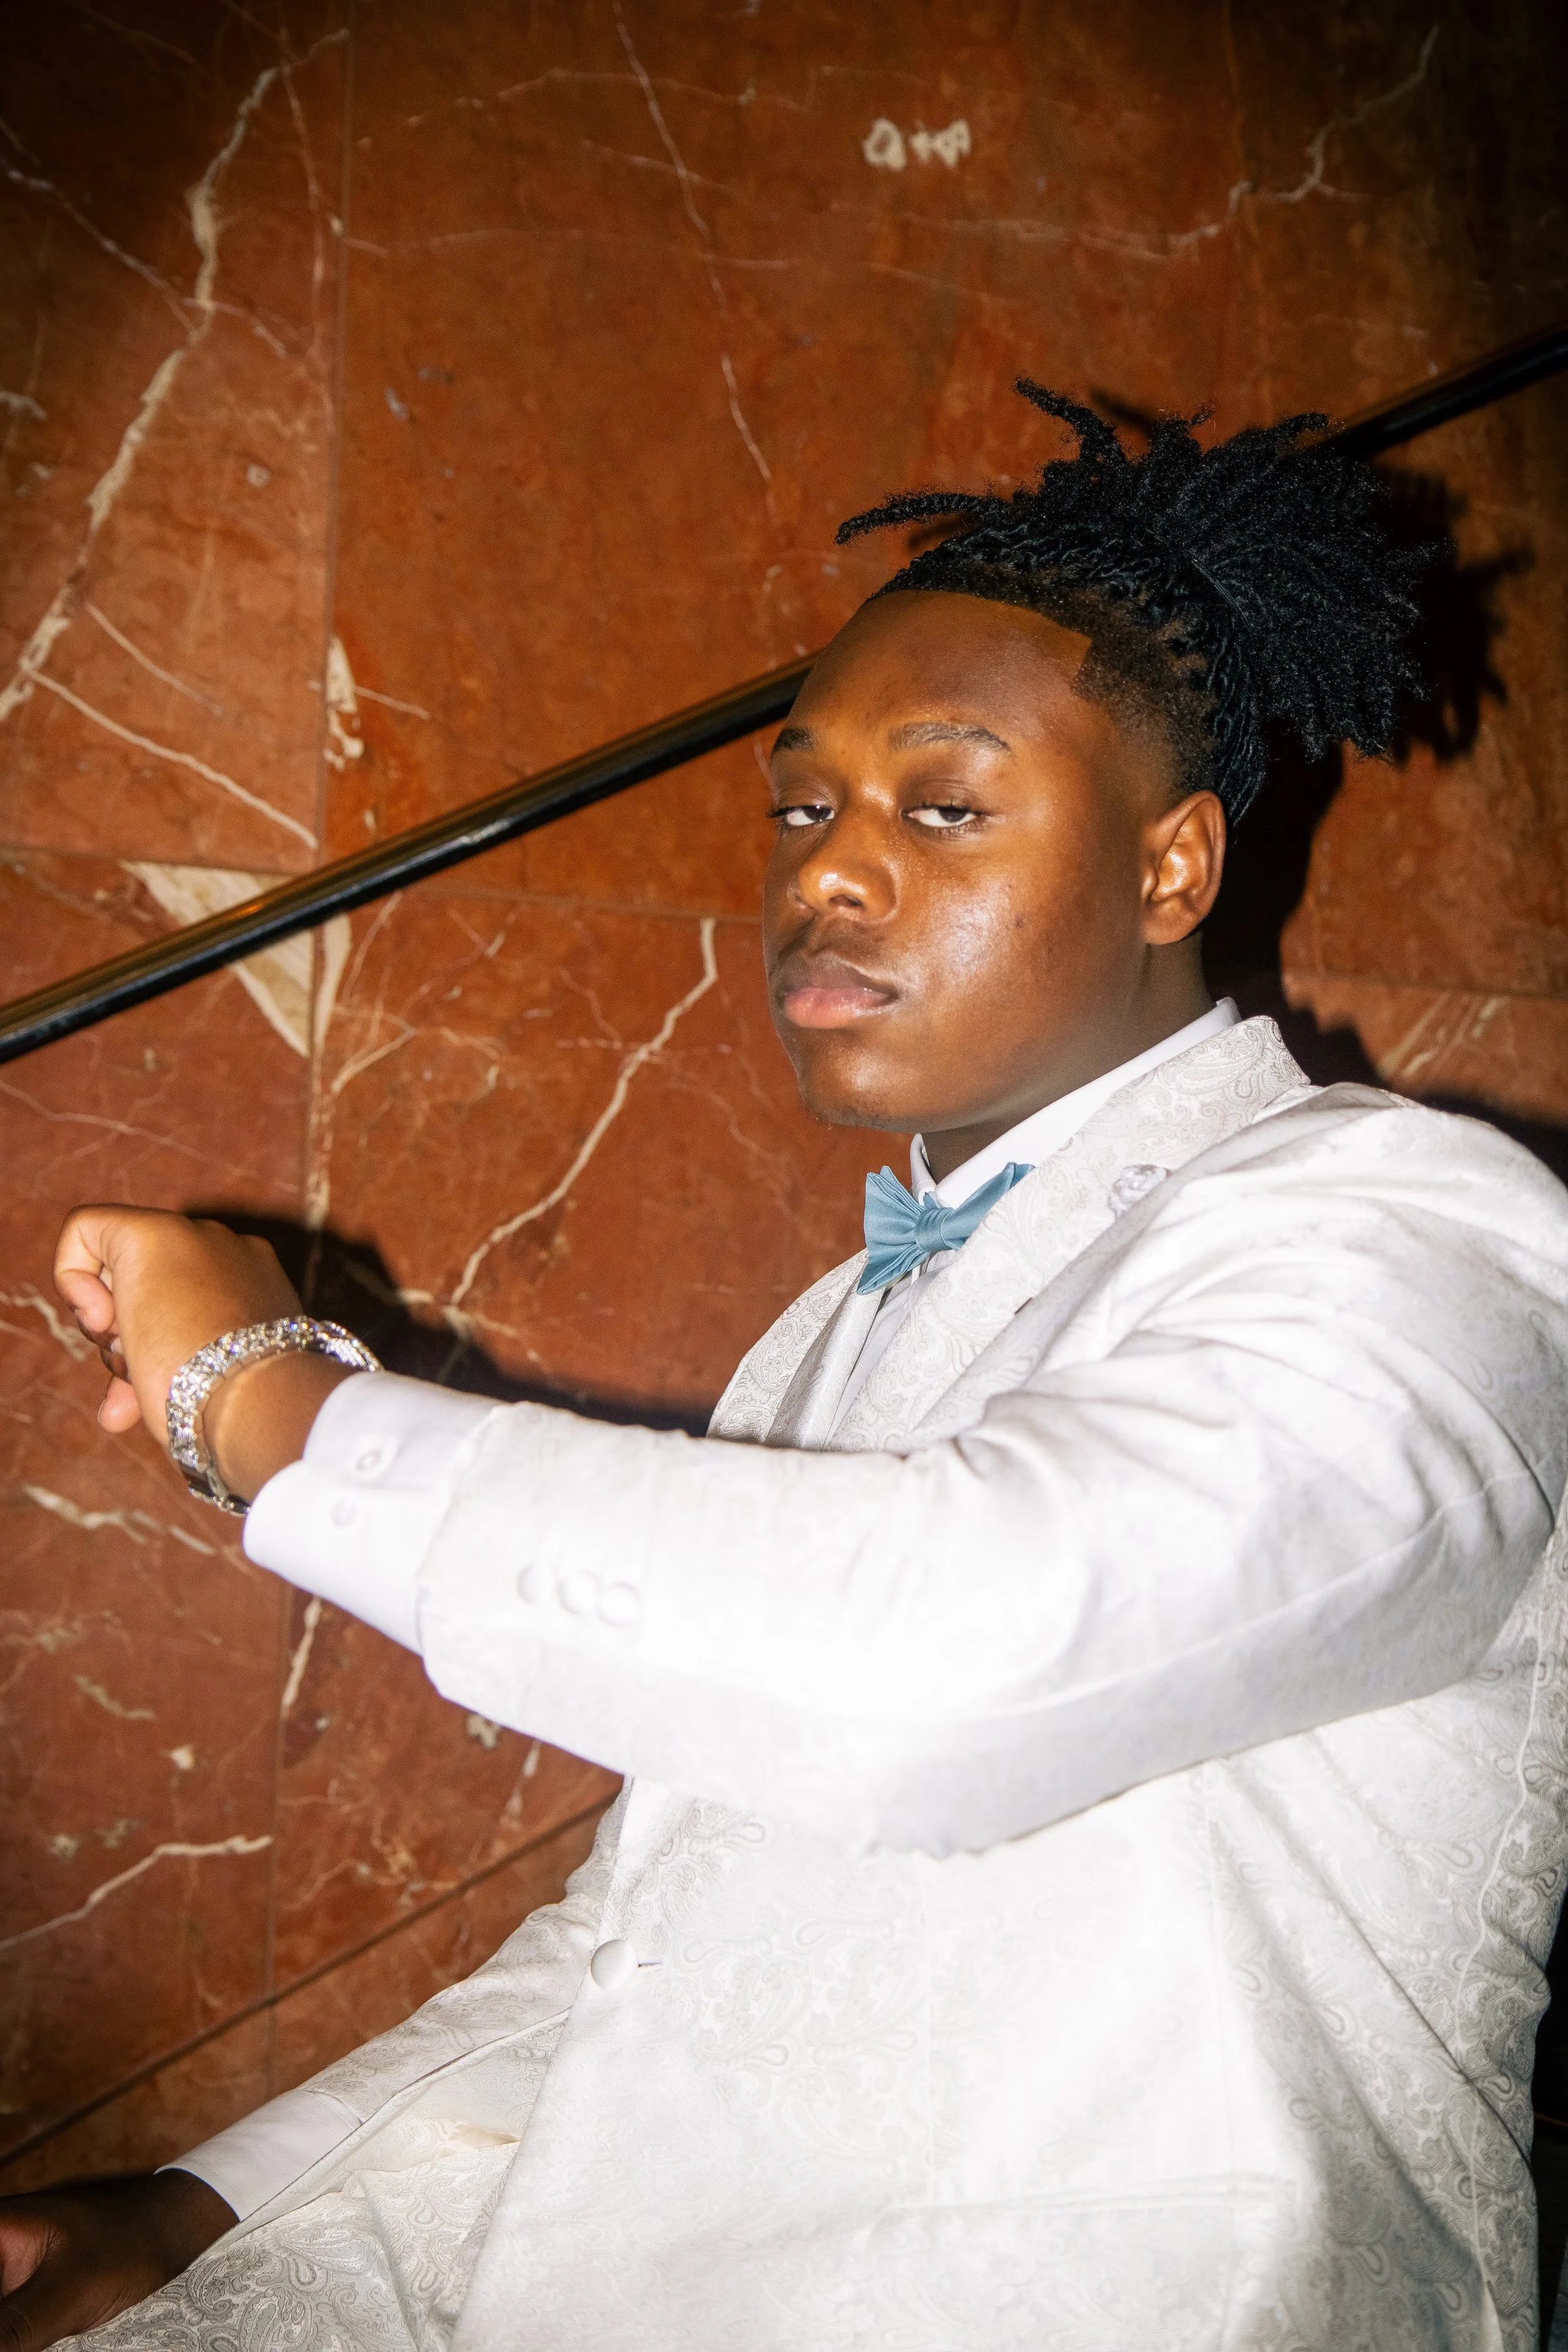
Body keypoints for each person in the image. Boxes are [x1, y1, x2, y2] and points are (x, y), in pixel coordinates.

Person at [4, 384, 1567, 2352]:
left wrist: (272, 1409)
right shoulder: (824, 1339)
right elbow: (642, 1951)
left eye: (940, 801)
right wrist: (207, 2205)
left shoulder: (1422, 1229)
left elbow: (963, 1650)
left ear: (1172, 872)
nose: (823, 872)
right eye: (802, 803)